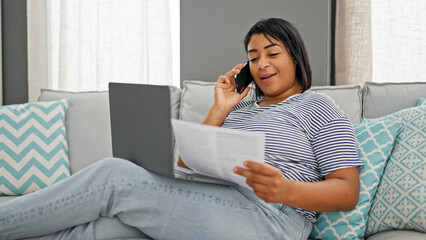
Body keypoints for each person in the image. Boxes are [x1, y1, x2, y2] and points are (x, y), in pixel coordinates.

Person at [0, 18, 363, 240]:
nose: (262, 64)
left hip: (272, 220)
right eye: (253, 58)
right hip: (218, 201)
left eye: (272, 53)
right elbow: (189, 166)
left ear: (295, 57)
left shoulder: (318, 107)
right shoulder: (240, 108)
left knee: (114, 176)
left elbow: (347, 192)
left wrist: (284, 189)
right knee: (92, 231)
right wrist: (219, 109)